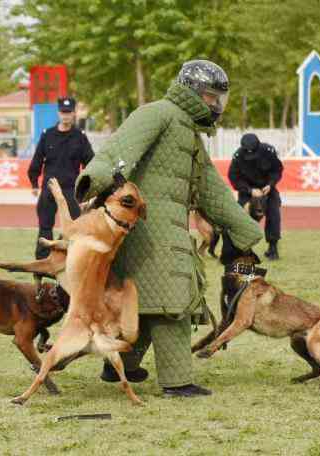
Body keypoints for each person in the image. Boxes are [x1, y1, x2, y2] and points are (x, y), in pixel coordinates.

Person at [75, 60, 262, 397]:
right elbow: (118, 150)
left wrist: (245, 230)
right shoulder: (158, 113)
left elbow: (211, 189)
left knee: (148, 305)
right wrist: (93, 179)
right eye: (210, 97)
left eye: (219, 98)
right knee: (173, 303)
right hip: (149, 229)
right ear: (191, 91)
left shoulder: (188, 132)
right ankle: (178, 382)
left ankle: (120, 366)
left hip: (165, 230)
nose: (215, 105)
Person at [28, 96, 94, 259]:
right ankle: (41, 265)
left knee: (75, 227)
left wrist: (87, 191)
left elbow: (91, 163)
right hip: (49, 188)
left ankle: (72, 261)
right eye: (63, 112)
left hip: (71, 190)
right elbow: (37, 161)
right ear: (58, 113)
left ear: (74, 114)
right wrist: (35, 184)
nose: (66, 116)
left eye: (69, 112)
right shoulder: (47, 135)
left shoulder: (80, 137)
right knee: (45, 228)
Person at [228, 133, 284, 260]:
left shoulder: (268, 151)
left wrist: (270, 184)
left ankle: (273, 248)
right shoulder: (238, 156)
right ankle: (244, 248)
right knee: (242, 219)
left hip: (267, 190)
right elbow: (234, 178)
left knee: (274, 214)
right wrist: (249, 190)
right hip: (247, 192)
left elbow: (277, 170)